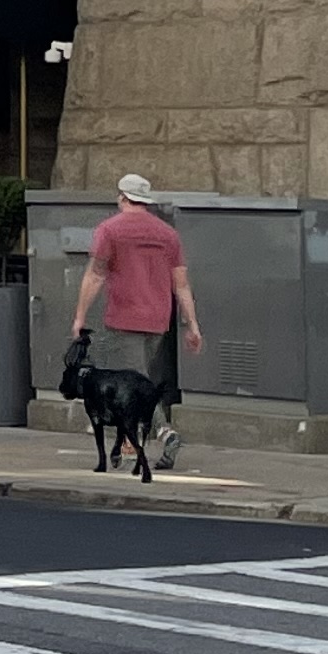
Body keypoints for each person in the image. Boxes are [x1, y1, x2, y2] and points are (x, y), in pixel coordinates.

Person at [69, 172, 205, 466]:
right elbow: (181, 283)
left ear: (122, 197)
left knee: (134, 383)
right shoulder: (167, 234)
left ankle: (165, 433)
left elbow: (95, 275)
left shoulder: (110, 230)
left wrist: (80, 316)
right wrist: (191, 324)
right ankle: (130, 442)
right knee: (137, 378)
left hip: (123, 318)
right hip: (158, 320)